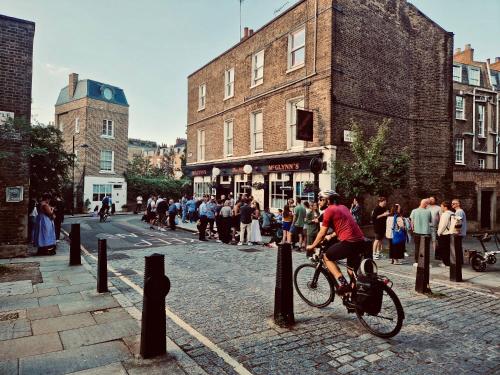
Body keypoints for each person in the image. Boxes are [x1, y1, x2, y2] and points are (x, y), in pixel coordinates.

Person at [307, 190, 366, 295]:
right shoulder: (344, 207)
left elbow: (322, 232)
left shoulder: (329, 210)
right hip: (361, 241)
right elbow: (344, 226)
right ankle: (355, 298)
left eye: (321, 199)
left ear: (328, 200)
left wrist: (312, 245)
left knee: (326, 257)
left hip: (349, 242)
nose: (319, 202)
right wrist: (331, 236)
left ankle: (343, 284)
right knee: (351, 271)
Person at [409, 199, 432, 266]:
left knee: (417, 247)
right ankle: (426, 262)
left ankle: (417, 262)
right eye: (427, 204)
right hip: (426, 232)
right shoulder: (428, 211)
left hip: (417, 232)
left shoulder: (414, 211)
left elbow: (411, 222)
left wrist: (412, 229)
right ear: (425, 204)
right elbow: (430, 221)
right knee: (426, 248)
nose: (428, 205)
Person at [437, 201, 454, 267]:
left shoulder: (445, 214)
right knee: (449, 249)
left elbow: (443, 225)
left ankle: (446, 263)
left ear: (445, 207)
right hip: (451, 233)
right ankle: (450, 262)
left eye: (442, 207)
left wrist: (439, 232)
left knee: (444, 249)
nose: (441, 208)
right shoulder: (453, 213)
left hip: (444, 234)